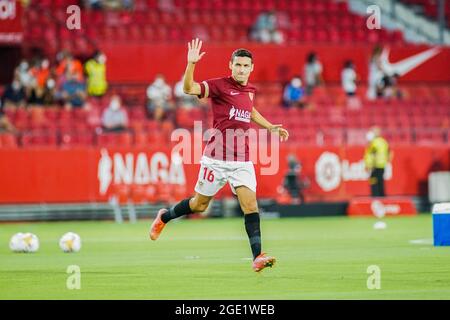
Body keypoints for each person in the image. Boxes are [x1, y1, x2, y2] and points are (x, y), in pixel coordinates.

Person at [149, 38, 289, 272]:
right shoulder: (219, 86)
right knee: (198, 205)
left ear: (251, 68)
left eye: (246, 66)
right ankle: (164, 217)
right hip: (215, 159)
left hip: (242, 160)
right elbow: (188, 88)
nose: (242, 69)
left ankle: (258, 256)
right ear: (230, 65)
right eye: (238, 65)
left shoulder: (250, 91)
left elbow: (250, 110)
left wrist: (270, 126)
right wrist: (191, 64)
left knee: (251, 205)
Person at [364, 127, 391, 197]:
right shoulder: (384, 141)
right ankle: (382, 195)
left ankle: (375, 195)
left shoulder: (374, 143)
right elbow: (389, 152)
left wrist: (369, 164)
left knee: (373, 180)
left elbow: (371, 154)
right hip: (382, 164)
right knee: (380, 180)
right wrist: (387, 160)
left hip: (375, 164)